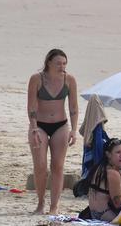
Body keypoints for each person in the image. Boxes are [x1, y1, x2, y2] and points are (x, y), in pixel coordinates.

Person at [27, 49, 79, 215]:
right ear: (49, 62)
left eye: (64, 63)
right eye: (58, 63)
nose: (62, 66)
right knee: (40, 166)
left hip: (61, 125)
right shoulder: (37, 79)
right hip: (39, 125)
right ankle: (41, 203)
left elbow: (73, 107)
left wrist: (74, 129)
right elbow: (31, 106)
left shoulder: (69, 80)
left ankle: (54, 206)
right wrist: (34, 127)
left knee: (57, 166)